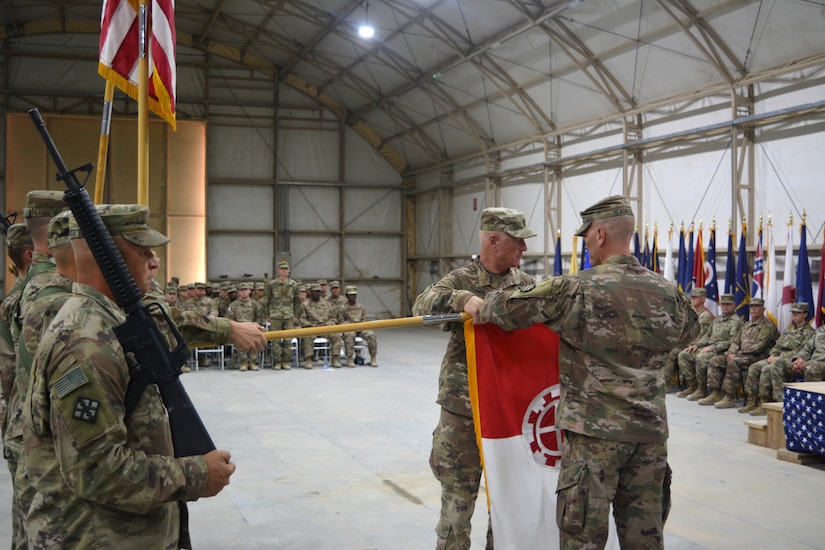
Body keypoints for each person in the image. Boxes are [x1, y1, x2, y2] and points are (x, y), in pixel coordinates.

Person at [473, 196, 698, 549]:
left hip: (594, 441)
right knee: (645, 539)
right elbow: (691, 331)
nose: (588, 246)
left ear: (600, 234)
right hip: (649, 437)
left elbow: (503, 308)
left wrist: (469, 302)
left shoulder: (576, 289)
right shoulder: (668, 291)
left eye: (588, 238)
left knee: (583, 539)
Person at [23, 204, 235, 548]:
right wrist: (195, 474)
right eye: (143, 251)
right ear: (110, 260)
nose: (156, 260)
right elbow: (95, 471)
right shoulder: (87, 344)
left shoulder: (113, 322)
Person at [412, 206, 536, 550]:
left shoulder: (524, 284)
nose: (524, 249)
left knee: (508, 502)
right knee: (457, 499)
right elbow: (421, 305)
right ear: (493, 241)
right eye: (518, 242)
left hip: (509, 411)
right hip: (463, 409)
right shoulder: (462, 279)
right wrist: (461, 299)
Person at [701, 297, 778, 408]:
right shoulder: (747, 325)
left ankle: (729, 396)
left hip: (758, 356)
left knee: (734, 362)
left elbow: (759, 346)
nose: (753, 309)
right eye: (751, 307)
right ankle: (715, 393)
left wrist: (737, 354)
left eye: (756, 307)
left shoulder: (767, 325)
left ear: (763, 309)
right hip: (742, 355)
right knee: (715, 359)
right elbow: (735, 341)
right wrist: (730, 353)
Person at [740, 302, 814, 413]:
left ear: (805, 314)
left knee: (767, 369)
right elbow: (777, 345)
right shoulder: (789, 330)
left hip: (791, 361)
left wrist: (780, 357)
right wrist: (773, 354)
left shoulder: (810, 332)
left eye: (797, 313)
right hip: (777, 359)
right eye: (793, 313)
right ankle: (752, 401)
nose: (794, 315)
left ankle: (767, 403)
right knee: (754, 367)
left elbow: (802, 351)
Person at [752, 317, 825, 415]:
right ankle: (783, 403)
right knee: (777, 364)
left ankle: (811, 408)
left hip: (819, 364)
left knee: (811, 369)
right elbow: (807, 349)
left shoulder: (810, 331)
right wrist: (797, 360)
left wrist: (808, 363)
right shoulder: (820, 331)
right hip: (810, 362)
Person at [680, 294, 743, 401]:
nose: (725, 307)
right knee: (684, 355)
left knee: (702, 358)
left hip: (722, 351)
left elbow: (733, 342)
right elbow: (707, 336)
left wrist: (713, 348)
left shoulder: (736, 322)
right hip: (709, 348)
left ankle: (705, 390)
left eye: (728, 305)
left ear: (734, 306)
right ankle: (693, 386)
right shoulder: (717, 320)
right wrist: (697, 345)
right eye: (723, 304)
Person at [668, 287, 714, 395]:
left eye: (695, 297)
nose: (692, 299)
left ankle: (694, 386)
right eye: (691, 297)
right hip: (688, 343)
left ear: (703, 299)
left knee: (676, 354)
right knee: (668, 350)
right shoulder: (691, 314)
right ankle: (669, 384)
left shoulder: (705, 316)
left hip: (697, 345)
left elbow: (702, 335)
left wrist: (692, 344)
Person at [267, 259, 301, 370]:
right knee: (276, 339)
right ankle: (277, 361)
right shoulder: (272, 284)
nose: (284, 271)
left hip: (289, 315)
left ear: (289, 270)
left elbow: (297, 302)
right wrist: (267, 315)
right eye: (282, 269)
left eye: (286, 269)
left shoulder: (294, 285)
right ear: (278, 270)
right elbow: (267, 300)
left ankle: (285, 361)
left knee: (287, 339)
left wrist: (296, 315)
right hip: (276, 315)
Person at [299, 282, 342, 369]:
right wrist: (312, 325)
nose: (317, 293)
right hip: (312, 328)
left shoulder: (327, 304)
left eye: (319, 291)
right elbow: (302, 319)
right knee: (307, 336)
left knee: (336, 335)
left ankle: (335, 358)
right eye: (315, 291)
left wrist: (326, 324)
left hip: (325, 327)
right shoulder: (305, 305)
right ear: (310, 292)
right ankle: (308, 359)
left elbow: (333, 318)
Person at [226, 282, 265, 371]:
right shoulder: (233, 305)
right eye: (241, 290)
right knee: (240, 340)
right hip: (239, 329)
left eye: (246, 290)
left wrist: (255, 326)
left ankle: (252, 362)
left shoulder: (255, 305)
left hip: (252, 328)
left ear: (249, 291)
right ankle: (243, 362)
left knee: (254, 340)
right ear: (238, 292)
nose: (244, 292)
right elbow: (229, 319)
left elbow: (260, 318)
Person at [342, 285, 378, 367]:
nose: (353, 296)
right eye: (351, 295)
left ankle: (373, 357)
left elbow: (365, 319)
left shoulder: (360, 307)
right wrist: (350, 325)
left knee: (371, 335)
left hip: (361, 327)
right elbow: (341, 320)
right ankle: (350, 358)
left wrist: (361, 325)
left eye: (354, 295)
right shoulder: (343, 307)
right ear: (347, 295)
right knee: (349, 335)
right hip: (349, 327)